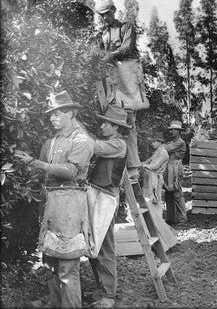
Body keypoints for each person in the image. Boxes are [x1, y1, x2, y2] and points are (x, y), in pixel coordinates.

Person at [17, 91, 94, 308]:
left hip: (69, 202)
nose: (52, 118)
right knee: (50, 259)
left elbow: (70, 171)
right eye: (51, 114)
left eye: (57, 113)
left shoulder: (82, 140)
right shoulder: (51, 142)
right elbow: (41, 171)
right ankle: (56, 303)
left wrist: (36, 163)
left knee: (68, 264)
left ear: (71, 113)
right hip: (50, 202)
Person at [95, 0, 145, 181]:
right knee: (112, 120)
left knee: (129, 121)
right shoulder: (101, 34)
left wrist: (109, 56)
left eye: (107, 14)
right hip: (112, 82)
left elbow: (126, 49)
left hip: (128, 79)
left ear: (114, 10)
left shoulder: (126, 27)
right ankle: (115, 162)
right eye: (101, 15)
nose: (105, 18)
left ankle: (133, 167)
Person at [88, 105, 129, 308]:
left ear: (115, 127)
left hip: (105, 198)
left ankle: (108, 297)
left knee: (104, 247)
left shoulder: (118, 144)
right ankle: (102, 289)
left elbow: (94, 147)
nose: (102, 126)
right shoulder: (111, 142)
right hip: (97, 195)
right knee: (94, 244)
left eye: (106, 123)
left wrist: (76, 132)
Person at [164, 120, 187, 225]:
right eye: (171, 130)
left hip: (176, 167)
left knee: (177, 193)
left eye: (174, 130)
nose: (171, 132)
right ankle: (171, 218)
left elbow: (165, 149)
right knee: (168, 193)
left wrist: (159, 145)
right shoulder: (172, 142)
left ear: (178, 131)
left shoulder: (180, 142)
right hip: (169, 167)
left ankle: (182, 218)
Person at [142, 131, 169, 217]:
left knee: (155, 200)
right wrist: (142, 164)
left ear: (160, 142)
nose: (152, 144)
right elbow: (149, 161)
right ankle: (152, 221)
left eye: (154, 142)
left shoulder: (163, 152)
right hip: (151, 177)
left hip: (156, 178)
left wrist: (144, 166)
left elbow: (155, 165)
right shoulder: (157, 151)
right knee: (148, 198)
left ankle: (159, 223)